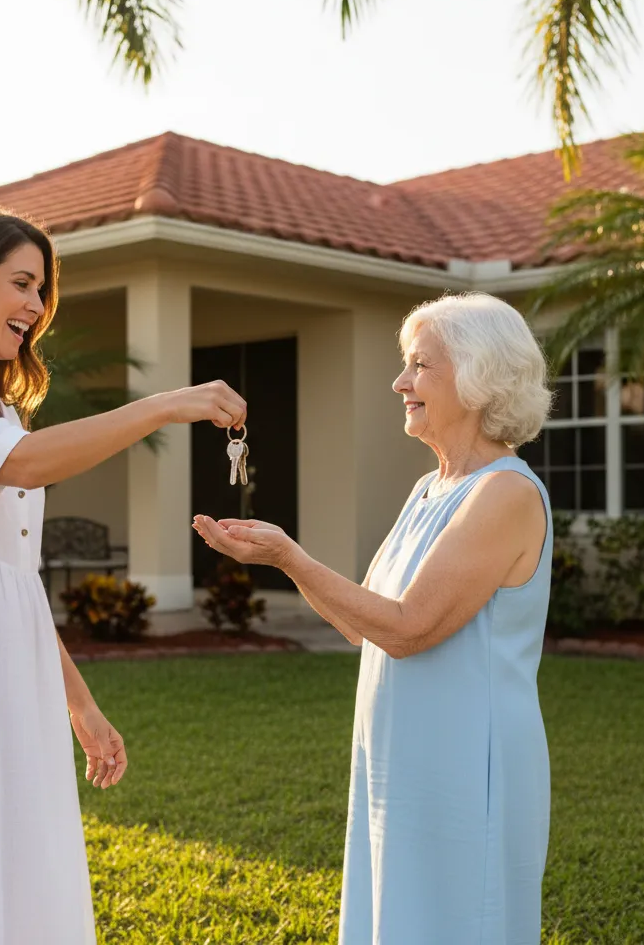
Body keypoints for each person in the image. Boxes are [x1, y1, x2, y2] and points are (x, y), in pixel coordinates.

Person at [0, 206, 247, 945]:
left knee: (16, 876)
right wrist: (163, 406)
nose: (35, 306)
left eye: (41, 291)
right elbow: (20, 468)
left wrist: (81, 707)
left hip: (14, 673)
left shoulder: (1, 411)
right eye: (21, 284)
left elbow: (12, 580)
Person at [194, 291, 553, 945]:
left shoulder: (506, 492)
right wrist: (284, 562)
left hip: (467, 764)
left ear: (477, 380)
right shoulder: (428, 490)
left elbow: (409, 628)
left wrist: (291, 555)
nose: (400, 382)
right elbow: (363, 623)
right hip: (399, 759)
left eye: (420, 366)